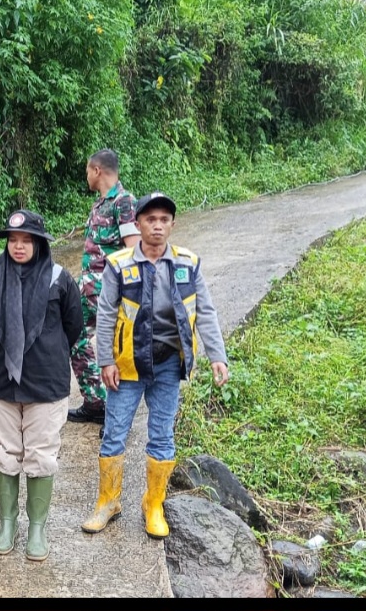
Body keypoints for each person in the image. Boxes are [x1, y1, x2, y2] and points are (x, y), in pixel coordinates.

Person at [81, 192, 229, 539]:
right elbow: (106, 314)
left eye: (164, 220)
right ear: (138, 224)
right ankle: (108, 501)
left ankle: (153, 504)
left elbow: (205, 311)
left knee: (162, 435)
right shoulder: (119, 265)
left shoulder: (188, 264)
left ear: (172, 224)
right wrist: (106, 361)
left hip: (168, 365)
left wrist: (217, 356)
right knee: (114, 433)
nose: (158, 226)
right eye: (151, 219)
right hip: (128, 367)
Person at [0, 210, 82, 560]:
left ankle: (37, 528)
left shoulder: (59, 279)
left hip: (45, 381)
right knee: (3, 452)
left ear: (39, 243)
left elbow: (74, 326)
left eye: (26, 240)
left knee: (41, 454)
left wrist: (46, 352)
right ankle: (7, 524)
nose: (18, 246)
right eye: (13, 240)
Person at [68, 149, 140, 433]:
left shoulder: (124, 202)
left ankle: (118, 417)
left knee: (115, 350)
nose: (86, 176)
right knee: (75, 338)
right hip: (89, 291)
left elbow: (133, 250)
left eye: (88, 170)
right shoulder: (100, 204)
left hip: (111, 293)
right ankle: (96, 403)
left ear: (97, 170)